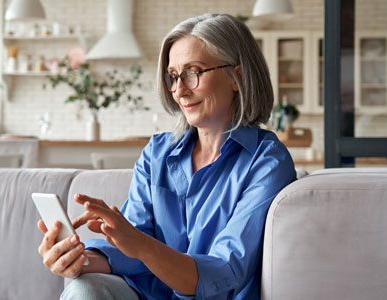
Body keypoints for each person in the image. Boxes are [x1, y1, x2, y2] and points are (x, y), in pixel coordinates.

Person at [37, 13, 296, 299]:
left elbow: (226, 271)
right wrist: (77, 261)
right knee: (83, 288)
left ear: (238, 77)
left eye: (193, 72)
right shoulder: (157, 153)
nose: (179, 90)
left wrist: (141, 245)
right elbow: (131, 251)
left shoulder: (267, 161)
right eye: (173, 76)